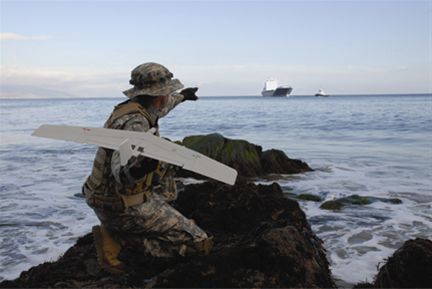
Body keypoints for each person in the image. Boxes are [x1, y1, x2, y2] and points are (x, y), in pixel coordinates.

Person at [82, 62, 213, 274]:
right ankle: (120, 243)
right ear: (158, 96)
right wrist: (139, 168)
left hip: (103, 198)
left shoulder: (135, 107)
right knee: (199, 244)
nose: (167, 98)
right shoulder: (135, 124)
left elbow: (165, 105)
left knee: (165, 163)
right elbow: (120, 170)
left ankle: (141, 225)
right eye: (166, 93)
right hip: (122, 206)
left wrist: (184, 96)